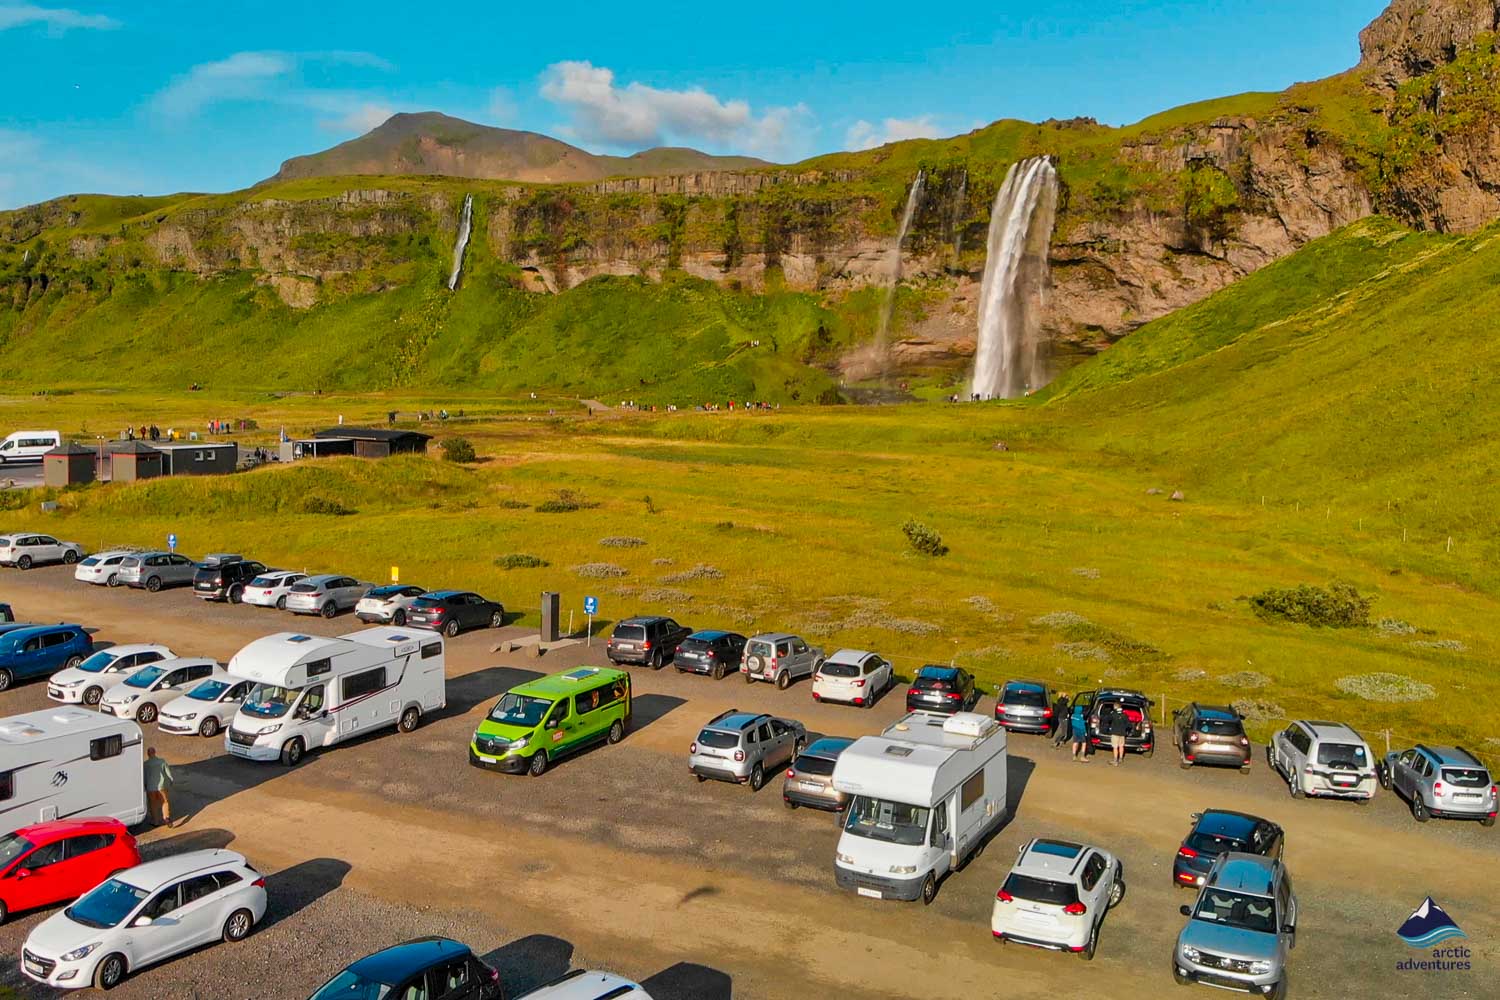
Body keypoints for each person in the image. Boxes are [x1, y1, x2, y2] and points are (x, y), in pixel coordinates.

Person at [144, 747, 175, 826]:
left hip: (150, 788)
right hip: (162, 786)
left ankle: (156, 821)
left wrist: (144, 785)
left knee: (153, 804)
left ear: (148, 754)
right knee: (164, 801)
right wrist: (171, 780)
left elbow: (144, 776)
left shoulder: (145, 764)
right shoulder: (162, 761)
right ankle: (166, 817)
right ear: (155, 752)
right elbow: (168, 773)